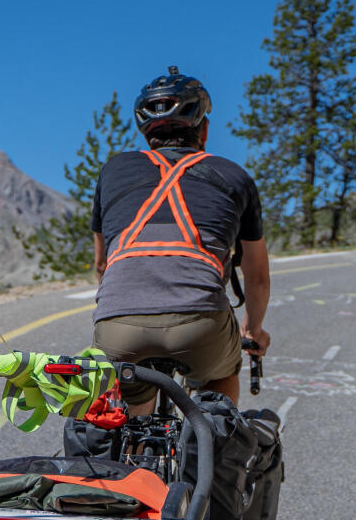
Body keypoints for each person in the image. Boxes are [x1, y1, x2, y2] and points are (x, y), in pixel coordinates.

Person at [90, 67, 270, 412]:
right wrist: (254, 330)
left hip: (119, 325)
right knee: (219, 381)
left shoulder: (114, 170)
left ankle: (136, 449)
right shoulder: (235, 175)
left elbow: (102, 264)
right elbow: (257, 276)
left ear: (146, 134)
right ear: (203, 129)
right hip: (200, 322)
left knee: (133, 415)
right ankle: (213, 452)